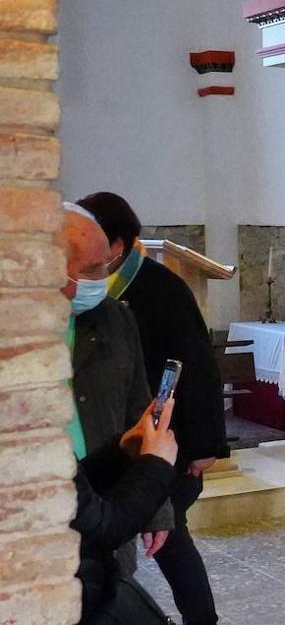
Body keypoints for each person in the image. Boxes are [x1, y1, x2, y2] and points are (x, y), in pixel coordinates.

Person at [78, 191, 229, 625]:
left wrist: (203, 447)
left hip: (172, 445)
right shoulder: (106, 294)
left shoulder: (159, 289)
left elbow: (199, 367)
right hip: (130, 449)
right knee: (151, 539)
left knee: (169, 537)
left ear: (116, 245)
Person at [70, 320, 182, 625]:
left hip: (86, 573)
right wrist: (156, 467)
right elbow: (101, 524)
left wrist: (123, 451)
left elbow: (68, 486)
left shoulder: (114, 315)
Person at [63, 204, 172, 573]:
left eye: (106, 266)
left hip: (109, 496)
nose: (103, 279)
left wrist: (155, 505)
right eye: (91, 270)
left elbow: (138, 408)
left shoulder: (115, 317)